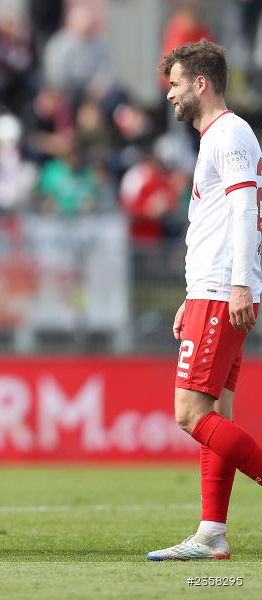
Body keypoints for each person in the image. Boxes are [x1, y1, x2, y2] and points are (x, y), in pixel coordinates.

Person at [147, 39, 262, 561]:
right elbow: (216, 221)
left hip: (222, 292)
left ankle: (212, 532)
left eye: (174, 84)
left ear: (200, 82)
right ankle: (212, 533)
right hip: (211, 291)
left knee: (190, 414)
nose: (169, 94)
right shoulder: (219, 136)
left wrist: (239, 284)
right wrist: (192, 296)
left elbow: (244, 210)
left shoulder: (230, 133)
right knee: (216, 414)